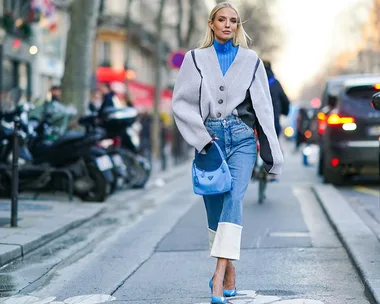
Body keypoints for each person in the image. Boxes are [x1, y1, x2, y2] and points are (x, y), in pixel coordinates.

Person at [171, 2, 283, 304]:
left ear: (237, 26)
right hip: (210, 139)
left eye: (233, 21)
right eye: (222, 19)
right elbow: (181, 104)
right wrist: (202, 141)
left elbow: (263, 107)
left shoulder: (252, 61)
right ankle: (230, 269)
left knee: (233, 198)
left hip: (243, 139)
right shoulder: (194, 59)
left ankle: (218, 277)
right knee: (215, 207)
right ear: (211, 23)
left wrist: (272, 151)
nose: (228, 25)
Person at [262, 60, 290, 137]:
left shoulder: (254, 81)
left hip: (257, 122)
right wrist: (285, 112)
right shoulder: (275, 83)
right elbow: (285, 101)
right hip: (273, 121)